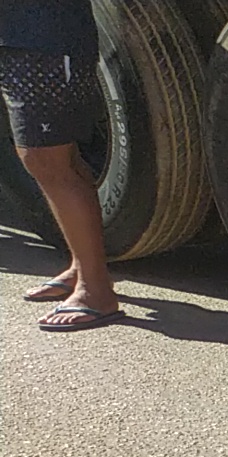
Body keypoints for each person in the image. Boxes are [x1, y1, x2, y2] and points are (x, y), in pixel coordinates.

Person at [0, 0, 122, 331]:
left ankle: (96, 292)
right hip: (23, 37)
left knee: (45, 159)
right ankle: (82, 269)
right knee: (60, 160)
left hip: (42, 38)